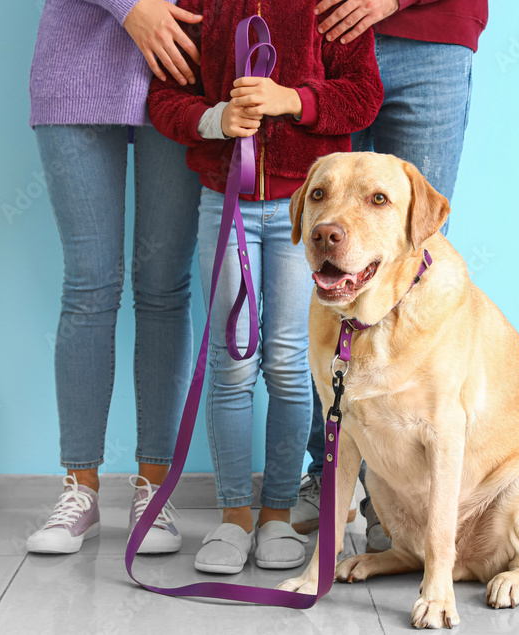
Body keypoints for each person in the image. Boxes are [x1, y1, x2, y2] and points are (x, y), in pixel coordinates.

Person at [147, 0, 382, 573]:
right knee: (230, 361)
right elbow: (163, 99)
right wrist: (215, 119)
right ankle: (234, 518)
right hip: (223, 204)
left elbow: (363, 94)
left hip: (306, 212)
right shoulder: (197, 7)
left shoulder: (327, 7)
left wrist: (293, 100)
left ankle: (278, 513)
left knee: (287, 360)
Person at [291, 0, 488, 552]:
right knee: (335, 261)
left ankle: (390, 496)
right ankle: (326, 473)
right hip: (319, 38)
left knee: (408, 259)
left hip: (430, 35)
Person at [25, 0, 211, 555]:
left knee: (162, 289)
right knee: (88, 287)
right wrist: (129, 8)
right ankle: (79, 490)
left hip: (182, 72)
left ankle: (154, 492)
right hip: (75, 68)